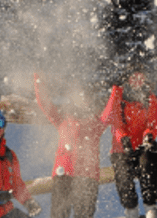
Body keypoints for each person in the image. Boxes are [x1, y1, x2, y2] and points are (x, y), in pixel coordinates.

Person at [34, 74, 107, 218]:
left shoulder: (97, 122)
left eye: (87, 97)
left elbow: (110, 110)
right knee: (59, 214)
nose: (83, 100)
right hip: (64, 174)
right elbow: (44, 103)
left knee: (84, 215)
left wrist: (118, 90)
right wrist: (38, 78)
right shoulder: (63, 119)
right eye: (80, 96)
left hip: (87, 175)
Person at [100, 70, 157, 218]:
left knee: (149, 160)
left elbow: (153, 121)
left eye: (141, 77)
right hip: (122, 146)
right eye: (133, 77)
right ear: (127, 79)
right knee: (122, 172)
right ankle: (131, 209)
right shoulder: (119, 95)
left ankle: (150, 206)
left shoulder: (150, 97)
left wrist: (148, 135)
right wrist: (124, 139)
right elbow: (114, 121)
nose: (137, 81)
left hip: (142, 146)